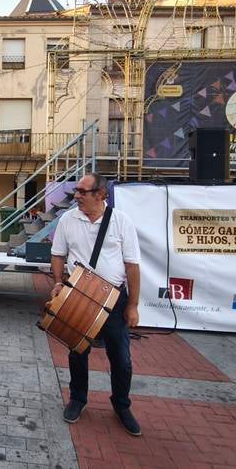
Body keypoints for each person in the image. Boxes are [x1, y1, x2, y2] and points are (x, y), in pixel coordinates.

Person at [49, 173, 142, 435]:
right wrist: (57, 282)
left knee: (121, 359)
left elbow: (132, 267)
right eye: (76, 190)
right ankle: (78, 399)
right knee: (78, 352)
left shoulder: (121, 222)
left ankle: (121, 405)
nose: (76, 195)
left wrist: (132, 305)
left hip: (114, 299)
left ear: (101, 194)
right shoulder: (68, 219)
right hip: (78, 296)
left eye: (82, 191)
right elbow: (57, 255)